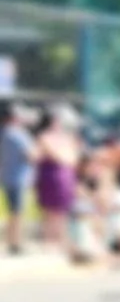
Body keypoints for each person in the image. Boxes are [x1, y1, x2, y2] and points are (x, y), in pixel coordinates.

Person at [33, 105, 81, 250]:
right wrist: (61, 154)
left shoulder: (68, 138)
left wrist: (62, 154)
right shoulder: (44, 137)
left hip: (65, 176)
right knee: (49, 209)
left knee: (63, 209)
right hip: (49, 176)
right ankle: (49, 240)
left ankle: (60, 239)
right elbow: (42, 156)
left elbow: (72, 159)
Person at [1, 99, 35, 255]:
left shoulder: (4, 134)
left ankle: (11, 242)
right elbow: (30, 155)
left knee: (12, 211)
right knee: (18, 212)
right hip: (18, 177)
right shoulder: (17, 135)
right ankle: (16, 243)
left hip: (7, 176)